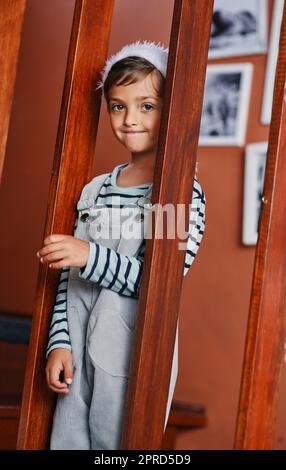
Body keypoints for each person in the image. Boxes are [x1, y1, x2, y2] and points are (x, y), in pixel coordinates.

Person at [37, 40, 206, 449]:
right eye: (118, 106)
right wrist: (59, 342)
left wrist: (88, 254)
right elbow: (68, 280)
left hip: (131, 352)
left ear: (171, 111)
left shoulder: (177, 194)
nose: (130, 119)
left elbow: (158, 281)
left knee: (117, 443)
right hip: (77, 347)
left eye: (147, 105)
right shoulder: (95, 191)